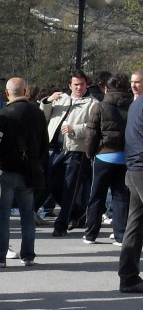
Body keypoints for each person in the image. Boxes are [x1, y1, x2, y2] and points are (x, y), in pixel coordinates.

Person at [0, 77, 49, 267]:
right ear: (25, 91)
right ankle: (28, 255)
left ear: (7, 93)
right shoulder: (38, 114)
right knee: (27, 214)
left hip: (6, 171)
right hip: (30, 170)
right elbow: (44, 143)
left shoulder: (2, 115)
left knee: (2, 215)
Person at [40, 71, 95, 236]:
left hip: (76, 150)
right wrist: (47, 101)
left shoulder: (92, 103)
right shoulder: (61, 99)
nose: (79, 87)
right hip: (56, 149)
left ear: (87, 85)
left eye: (82, 84)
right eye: (76, 84)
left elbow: (93, 127)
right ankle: (77, 213)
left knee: (70, 188)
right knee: (51, 184)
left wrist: (75, 129)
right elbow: (44, 116)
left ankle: (61, 225)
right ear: (70, 85)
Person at [83, 75, 130, 245]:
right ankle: (120, 235)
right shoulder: (132, 106)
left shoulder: (100, 107)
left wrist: (89, 153)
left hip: (104, 155)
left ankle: (90, 234)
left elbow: (92, 133)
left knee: (97, 196)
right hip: (125, 157)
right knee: (120, 196)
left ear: (106, 89)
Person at [117, 78, 143, 293]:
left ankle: (128, 277)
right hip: (140, 166)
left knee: (135, 222)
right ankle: (128, 276)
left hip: (134, 167)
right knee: (135, 222)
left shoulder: (136, 104)